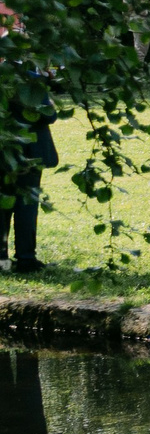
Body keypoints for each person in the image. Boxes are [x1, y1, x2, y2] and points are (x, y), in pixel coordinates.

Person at [4, 30, 56, 275]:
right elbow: (50, 115)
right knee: (26, 206)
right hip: (31, 150)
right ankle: (25, 258)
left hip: (4, 151)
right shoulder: (31, 79)